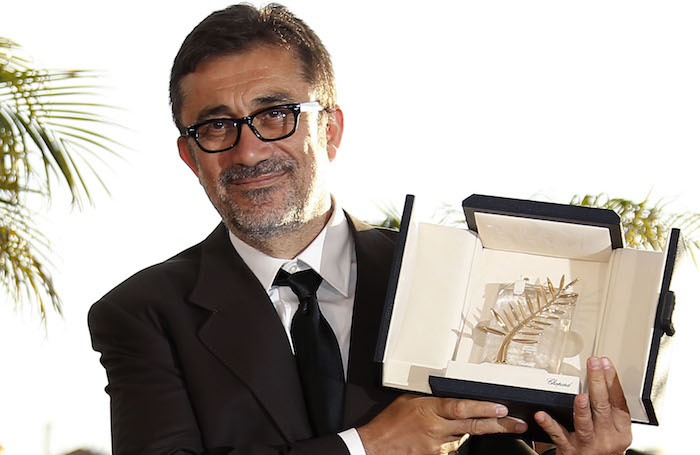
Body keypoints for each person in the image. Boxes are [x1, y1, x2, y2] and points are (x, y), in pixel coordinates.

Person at [88, 4, 633, 455]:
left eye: (275, 113)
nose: (249, 149)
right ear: (189, 155)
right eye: (216, 125)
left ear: (330, 129)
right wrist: (366, 444)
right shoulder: (142, 315)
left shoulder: (454, 281)